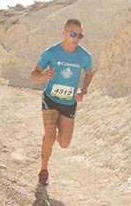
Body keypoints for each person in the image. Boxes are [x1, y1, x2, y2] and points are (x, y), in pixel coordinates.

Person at [30, 18, 94, 186]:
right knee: (50, 136)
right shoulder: (51, 52)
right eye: (73, 34)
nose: (76, 38)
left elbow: (89, 73)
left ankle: (51, 136)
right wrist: (43, 76)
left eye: (80, 36)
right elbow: (34, 74)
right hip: (50, 99)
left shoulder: (84, 56)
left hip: (69, 102)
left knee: (64, 143)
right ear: (64, 33)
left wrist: (83, 89)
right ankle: (43, 171)